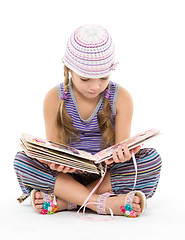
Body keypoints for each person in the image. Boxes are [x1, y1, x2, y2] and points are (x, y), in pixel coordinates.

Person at [14, 24, 162, 218]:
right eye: (85, 79)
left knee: (151, 160)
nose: (96, 86)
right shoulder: (54, 97)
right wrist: (55, 163)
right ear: (69, 70)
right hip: (67, 176)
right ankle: (99, 203)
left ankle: (68, 201)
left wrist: (124, 155)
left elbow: (120, 146)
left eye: (103, 78)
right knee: (22, 161)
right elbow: (55, 149)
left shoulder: (122, 97)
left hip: (105, 175)